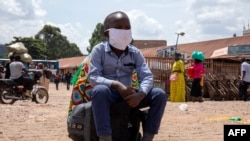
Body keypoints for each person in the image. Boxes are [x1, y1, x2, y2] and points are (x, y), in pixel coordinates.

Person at [88, 11, 167, 141]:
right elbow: (94, 77)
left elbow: (147, 76)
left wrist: (140, 95)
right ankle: (105, 138)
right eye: (119, 28)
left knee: (159, 94)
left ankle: (147, 137)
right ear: (107, 33)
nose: (124, 31)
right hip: (110, 95)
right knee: (99, 90)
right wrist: (117, 85)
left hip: (131, 96)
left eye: (127, 27)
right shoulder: (99, 50)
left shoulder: (135, 52)